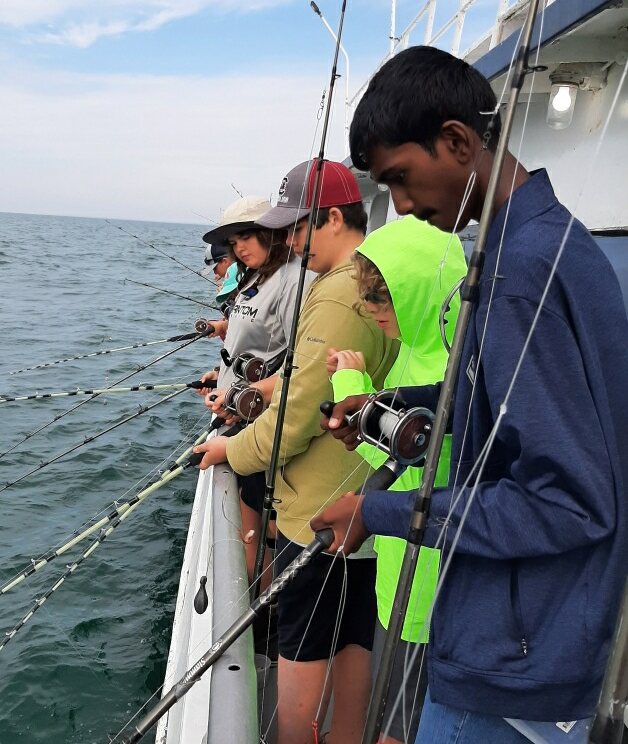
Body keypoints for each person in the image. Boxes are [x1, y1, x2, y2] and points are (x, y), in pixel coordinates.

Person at [312, 45, 628, 743]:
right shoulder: (543, 242)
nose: (400, 206)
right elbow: (495, 394)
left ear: (456, 141)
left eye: (400, 179)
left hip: (515, 659)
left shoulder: (518, 274)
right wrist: (381, 410)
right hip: (539, 637)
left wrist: (381, 510)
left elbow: (566, 501)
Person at [196, 158, 399, 744]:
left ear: (334, 218)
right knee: (354, 639)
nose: (289, 242)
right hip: (362, 503)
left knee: (304, 657)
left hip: (317, 514)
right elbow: (314, 382)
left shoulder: (336, 294)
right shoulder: (371, 278)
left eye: (297, 228)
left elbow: (299, 412)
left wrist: (231, 450)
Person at [327, 215, 466, 744]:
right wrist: (360, 390)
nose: (368, 309)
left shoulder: (451, 366)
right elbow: (398, 447)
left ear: (416, 293)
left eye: (380, 298)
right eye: (365, 297)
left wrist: (349, 381)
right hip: (397, 572)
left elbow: (406, 451)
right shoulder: (418, 350)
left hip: (427, 589)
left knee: (401, 726)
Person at [198, 195, 314, 590]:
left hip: (264, 424)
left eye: (246, 235)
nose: (239, 247)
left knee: (265, 526)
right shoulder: (255, 277)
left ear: (272, 232)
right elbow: (250, 345)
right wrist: (222, 381)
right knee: (250, 523)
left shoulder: (293, 281)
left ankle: (266, 609)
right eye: (234, 242)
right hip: (238, 415)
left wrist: (243, 396)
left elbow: (298, 360)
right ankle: (259, 600)